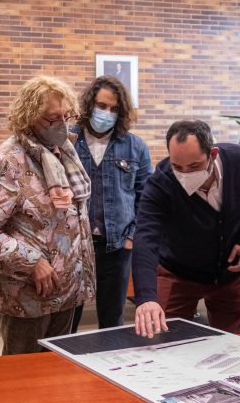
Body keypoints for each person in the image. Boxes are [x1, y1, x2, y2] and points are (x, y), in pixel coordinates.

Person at [0, 76, 95, 354]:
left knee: (56, 378)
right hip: (26, 297)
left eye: (66, 116)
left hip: (66, 292)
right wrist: (31, 261)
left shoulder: (64, 153)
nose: (62, 124)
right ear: (29, 118)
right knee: (21, 381)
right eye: (52, 118)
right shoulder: (8, 161)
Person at [132, 120, 240, 337]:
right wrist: (146, 298)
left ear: (212, 154)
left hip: (229, 273)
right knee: (165, 340)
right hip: (177, 272)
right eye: (177, 167)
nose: (185, 173)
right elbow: (146, 238)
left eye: (194, 166)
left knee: (234, 345)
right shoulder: (161, 182)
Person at [70, 76, 152, 331]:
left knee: (112, 321)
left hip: (116, 248)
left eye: (114, 109)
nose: (107, 113)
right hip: (73, 248)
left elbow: (146, 197)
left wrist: (131, 237)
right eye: (101, 106)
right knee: (66, 320)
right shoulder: (68, 141)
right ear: (89, 104)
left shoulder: (135, 146)